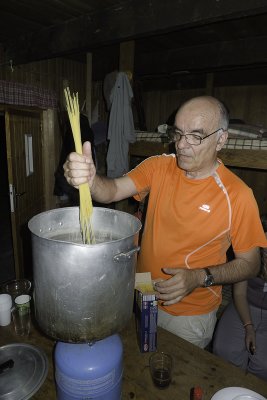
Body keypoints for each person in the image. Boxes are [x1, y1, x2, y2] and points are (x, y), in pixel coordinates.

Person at [63, 95, 267, 348]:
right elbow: (112, 190)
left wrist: (199, 277)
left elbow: (250, 265)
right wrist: (91, 180)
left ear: (221, 139)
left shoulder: (238, 195)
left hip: (189, 314)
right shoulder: (158, 166)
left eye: (195, 136)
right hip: (143, 291)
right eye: (178, 133)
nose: (181, 145)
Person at [213, 219, 267, 380]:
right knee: (224, 349)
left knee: (262, 363)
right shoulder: (249, 255)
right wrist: (248, 326)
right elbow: (239, 294)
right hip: (244, 305)